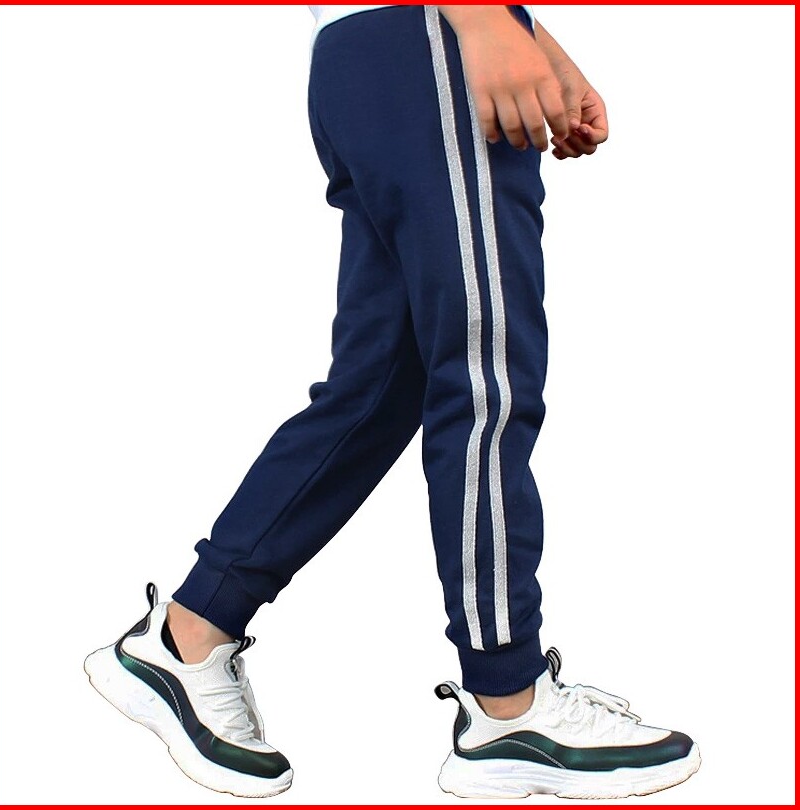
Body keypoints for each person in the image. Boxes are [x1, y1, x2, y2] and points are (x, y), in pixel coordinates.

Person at [84, 4, 700, 800]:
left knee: (379, 389)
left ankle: (190, 633)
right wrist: (482, 17)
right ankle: (509, 703)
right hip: (427, 43)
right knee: (486, 379)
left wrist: (537, 42)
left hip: (378, 51)